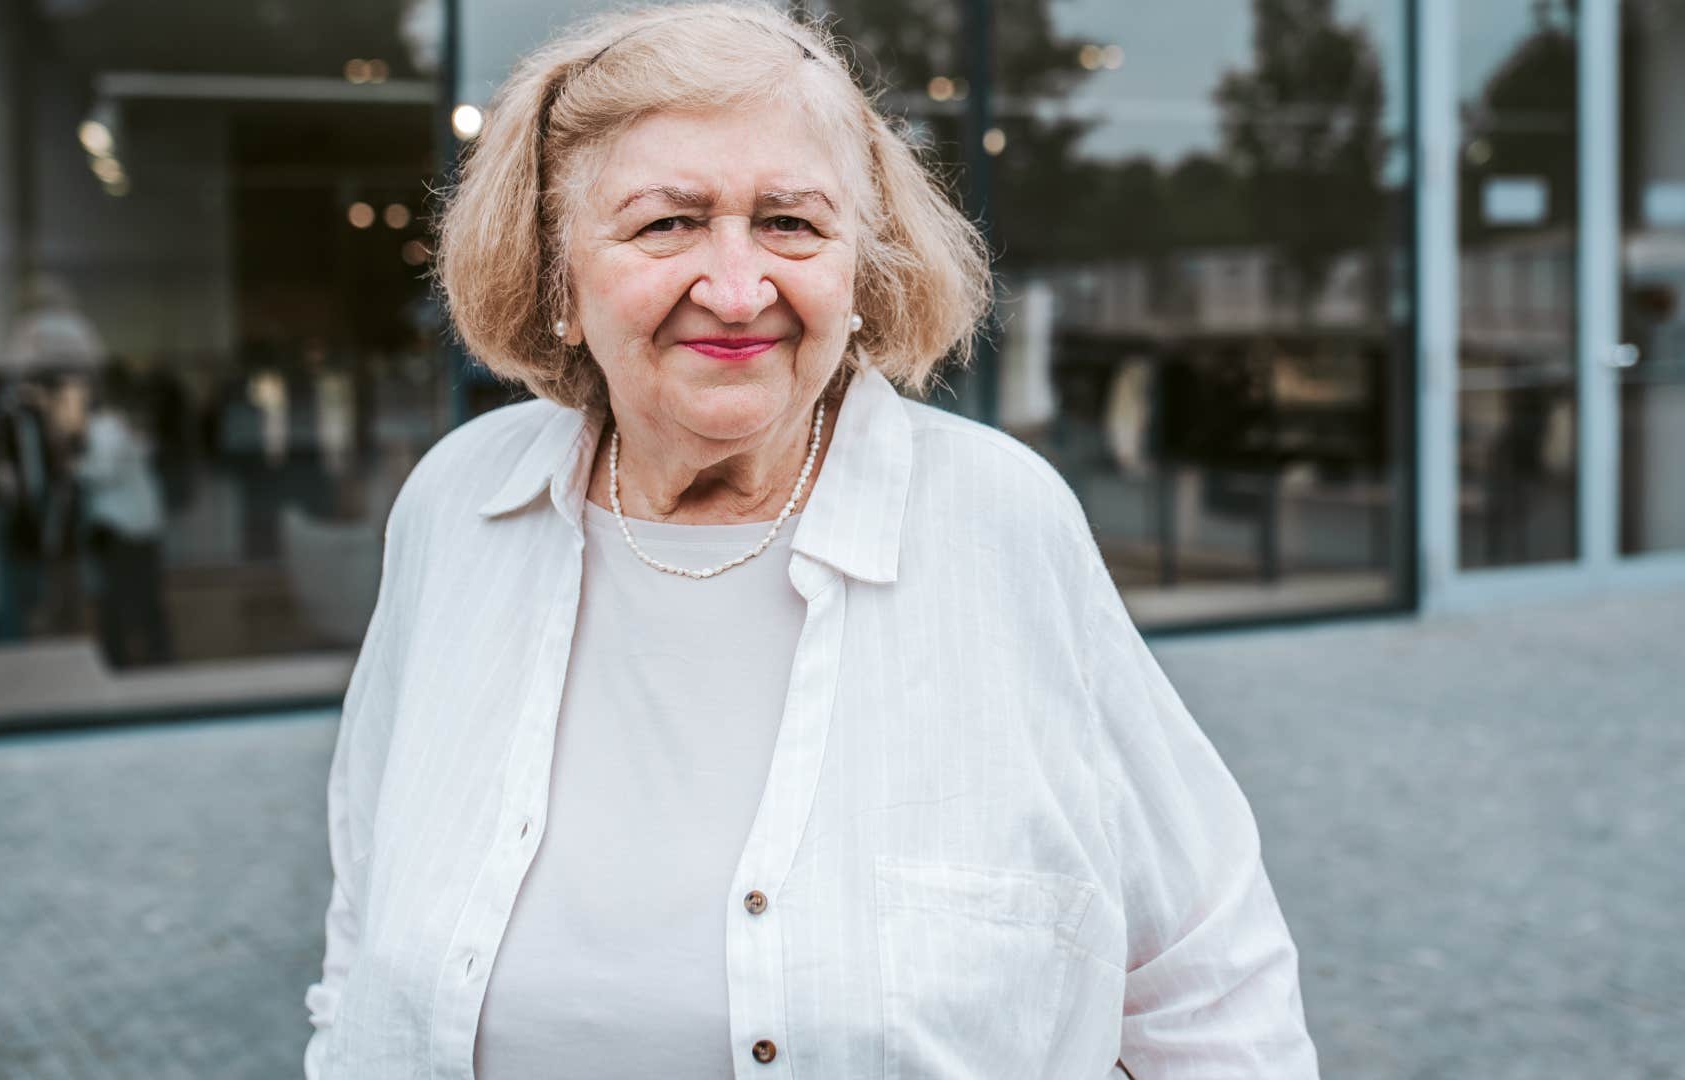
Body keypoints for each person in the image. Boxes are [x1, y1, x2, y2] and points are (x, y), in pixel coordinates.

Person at [302, 5, 1318, 1077]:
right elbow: (366, 924)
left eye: (791, 223)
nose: (739, 291)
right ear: (557, 281)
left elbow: (1211, 980)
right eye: (665, 225)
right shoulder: (459, 508)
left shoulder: (994, 517)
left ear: (860, 268)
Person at [73, 366, 172, 668]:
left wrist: (73, 468)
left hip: (119, 525)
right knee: (146, 596)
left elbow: (104, 472)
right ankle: (158, 656)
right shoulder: (129, 423)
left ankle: (119, 659)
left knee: (115, 598)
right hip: (144, 522)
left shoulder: (104, 426)